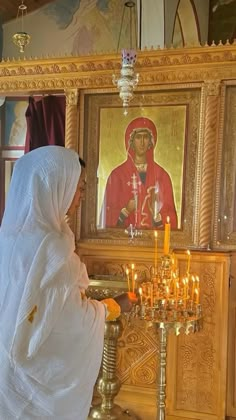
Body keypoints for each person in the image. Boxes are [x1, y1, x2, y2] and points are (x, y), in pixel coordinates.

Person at [0, 145, 137, 419]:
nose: (81, 196)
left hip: (6, 375)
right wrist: (111, 308)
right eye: (79, 187)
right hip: (34, 386)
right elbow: (66, 322)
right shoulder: (50, 246)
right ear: (55, 186)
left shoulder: (10, 237)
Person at [101, 117, 178, 229]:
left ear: (151, 141)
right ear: (131, 141)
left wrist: (157, 215)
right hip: (123, 244)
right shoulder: (117, 175)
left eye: (145, 137)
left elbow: (171, 216)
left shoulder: (162, 176)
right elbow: (106, 217)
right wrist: (126, 211)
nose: (142, 142)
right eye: (138, 137)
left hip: (153, 241)